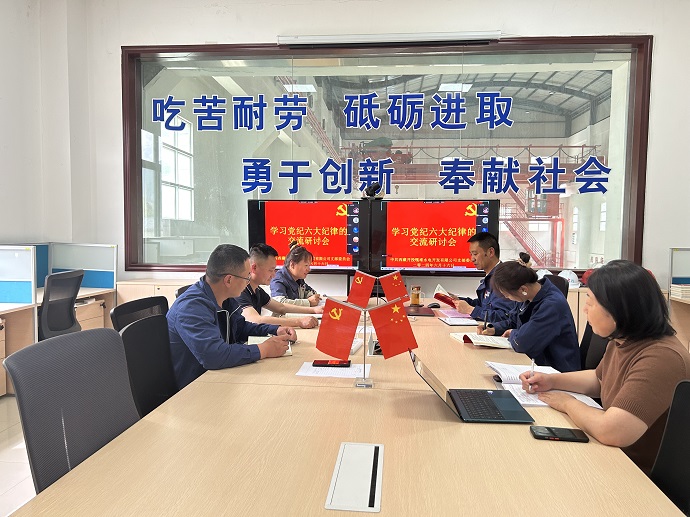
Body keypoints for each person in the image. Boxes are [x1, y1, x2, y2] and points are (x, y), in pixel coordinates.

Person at [520, 260, 690, 473]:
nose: (585, 309)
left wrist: (567, 403)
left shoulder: (662, 357)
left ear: (620, 310)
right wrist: (551, 380)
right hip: (612, 455)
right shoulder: (623, 340)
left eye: (591, 302)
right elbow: (600, 380)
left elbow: (612, 431)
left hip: (637, 473)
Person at [167, 244, 295, 389]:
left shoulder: (225, 298)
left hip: (220, 378)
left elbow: (240, 328)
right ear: (228, 280)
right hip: (194, 387)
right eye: (247, 277)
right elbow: (213, 355)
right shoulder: (191, 307)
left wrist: (275, 329)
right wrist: (263, 350)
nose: (248, 282)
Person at [484, 252, 580, 372]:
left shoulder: (552, 305)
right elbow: (514, 321)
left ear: (523, 289)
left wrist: (513, 333)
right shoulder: (528, 295)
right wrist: (494, 328)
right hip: (537, 362)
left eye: (507, 295)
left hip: (557, 370)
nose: (508, 298)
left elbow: (523, 343)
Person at [231, 243, 324, 329]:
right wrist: (298, 322)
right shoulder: (240, 290)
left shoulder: (257, 290)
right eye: (270, 270)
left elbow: (281, 307)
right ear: (254, 268)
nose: (274, 275)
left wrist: (314, 310)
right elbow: (255, 320)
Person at [453, 232, 517, 323]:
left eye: (475, 254)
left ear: (491, 252)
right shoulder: (491, 276)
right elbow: (484, 304)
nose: (472, 259)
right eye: (471, 254)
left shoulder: (503, 278)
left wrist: (470, 310)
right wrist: (459, 300)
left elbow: (504, 316)